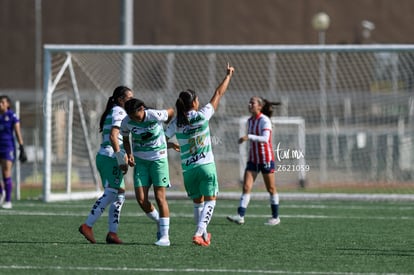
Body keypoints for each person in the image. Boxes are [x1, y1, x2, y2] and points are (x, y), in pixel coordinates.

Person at [165, 63, 235, 246]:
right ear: (194, 103)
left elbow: (160, 140)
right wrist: (228, 76)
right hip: (205, 166)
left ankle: (203, 235)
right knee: (211, 200)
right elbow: (218, 94)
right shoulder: (202, 115)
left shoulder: (176, 123)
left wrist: (171, 144)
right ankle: (198, 233)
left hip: (188, 170)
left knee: (198, 202)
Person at [79, 86, 133, 244]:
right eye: (129, 98)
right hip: (110, 157)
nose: (132, 101)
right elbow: (113, 136)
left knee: (119, 194)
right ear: (120, 100)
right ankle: (87, 225)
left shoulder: (117, 111)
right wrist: (119, 158)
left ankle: (112, 233)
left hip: (107, 156)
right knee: (111, 192)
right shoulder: (119, 112)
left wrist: (126, 155)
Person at [121, 98, 178, 247]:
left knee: (160, 198)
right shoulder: (126, 122)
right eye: (131, 117)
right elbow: (126, 140)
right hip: (141, 162)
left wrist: (167, 126)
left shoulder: (154, 115)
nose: (135, 120)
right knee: (141, 199)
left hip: (158, 160)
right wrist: (129, 154)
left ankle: (165, 237)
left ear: (142, 109)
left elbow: (171, 111)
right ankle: (160, 221)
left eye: (136, 116)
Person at [227, 97, 281, 226]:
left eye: (252, 102)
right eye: (249, 102)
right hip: (253, 159)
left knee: (271, 188)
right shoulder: (250, 121)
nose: (249, 104)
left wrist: (248, 137)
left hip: (265, 158)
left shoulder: (264, 120)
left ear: (260, 107)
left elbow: (265, 138)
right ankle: (240, 215)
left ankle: (275, 217)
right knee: (246, 187)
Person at [0, 95, 27, 209]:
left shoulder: (12, 116)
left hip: (8, 148)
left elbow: (17, 131)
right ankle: (2, 192)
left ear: (8, 104)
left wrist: (21, 147)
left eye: (2, 102)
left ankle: (8, 201)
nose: (0, 104)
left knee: (6, 172)